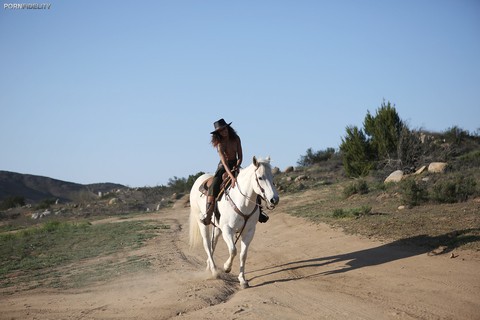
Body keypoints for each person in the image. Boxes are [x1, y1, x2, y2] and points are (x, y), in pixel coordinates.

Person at [201, 118, 243, 225]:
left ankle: (259, 211)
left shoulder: (236, 139)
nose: (223, 131)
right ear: (218, 133)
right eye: (220, 130)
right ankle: (208, 214)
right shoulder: (220, 145)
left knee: (251, 179)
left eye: (224, 129)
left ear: (227, 128)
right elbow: (224, 163)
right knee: (214, 185)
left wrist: (237, 166)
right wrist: (232, 177)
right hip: (223, 167)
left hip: (236, 164)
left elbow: (240, 156)